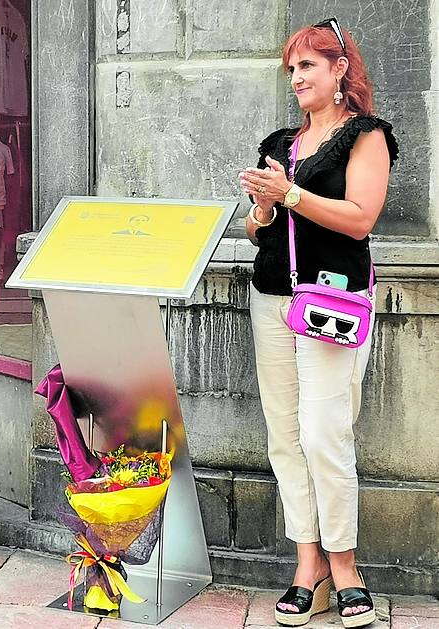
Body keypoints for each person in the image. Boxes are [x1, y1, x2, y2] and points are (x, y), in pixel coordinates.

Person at [239, 18, 398, 628]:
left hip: (331, 302)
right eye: (292, 69)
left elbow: (361, 218)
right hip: (273, 299)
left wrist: (292, 196)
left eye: (308, 65)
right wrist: (261, 207)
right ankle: (309, 567)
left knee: (325, 434)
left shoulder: (366, 136)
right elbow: (259, 228)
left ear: (339, 70)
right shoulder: (280, 143)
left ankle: (346, 567)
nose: (297, 77)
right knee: (284, 435)